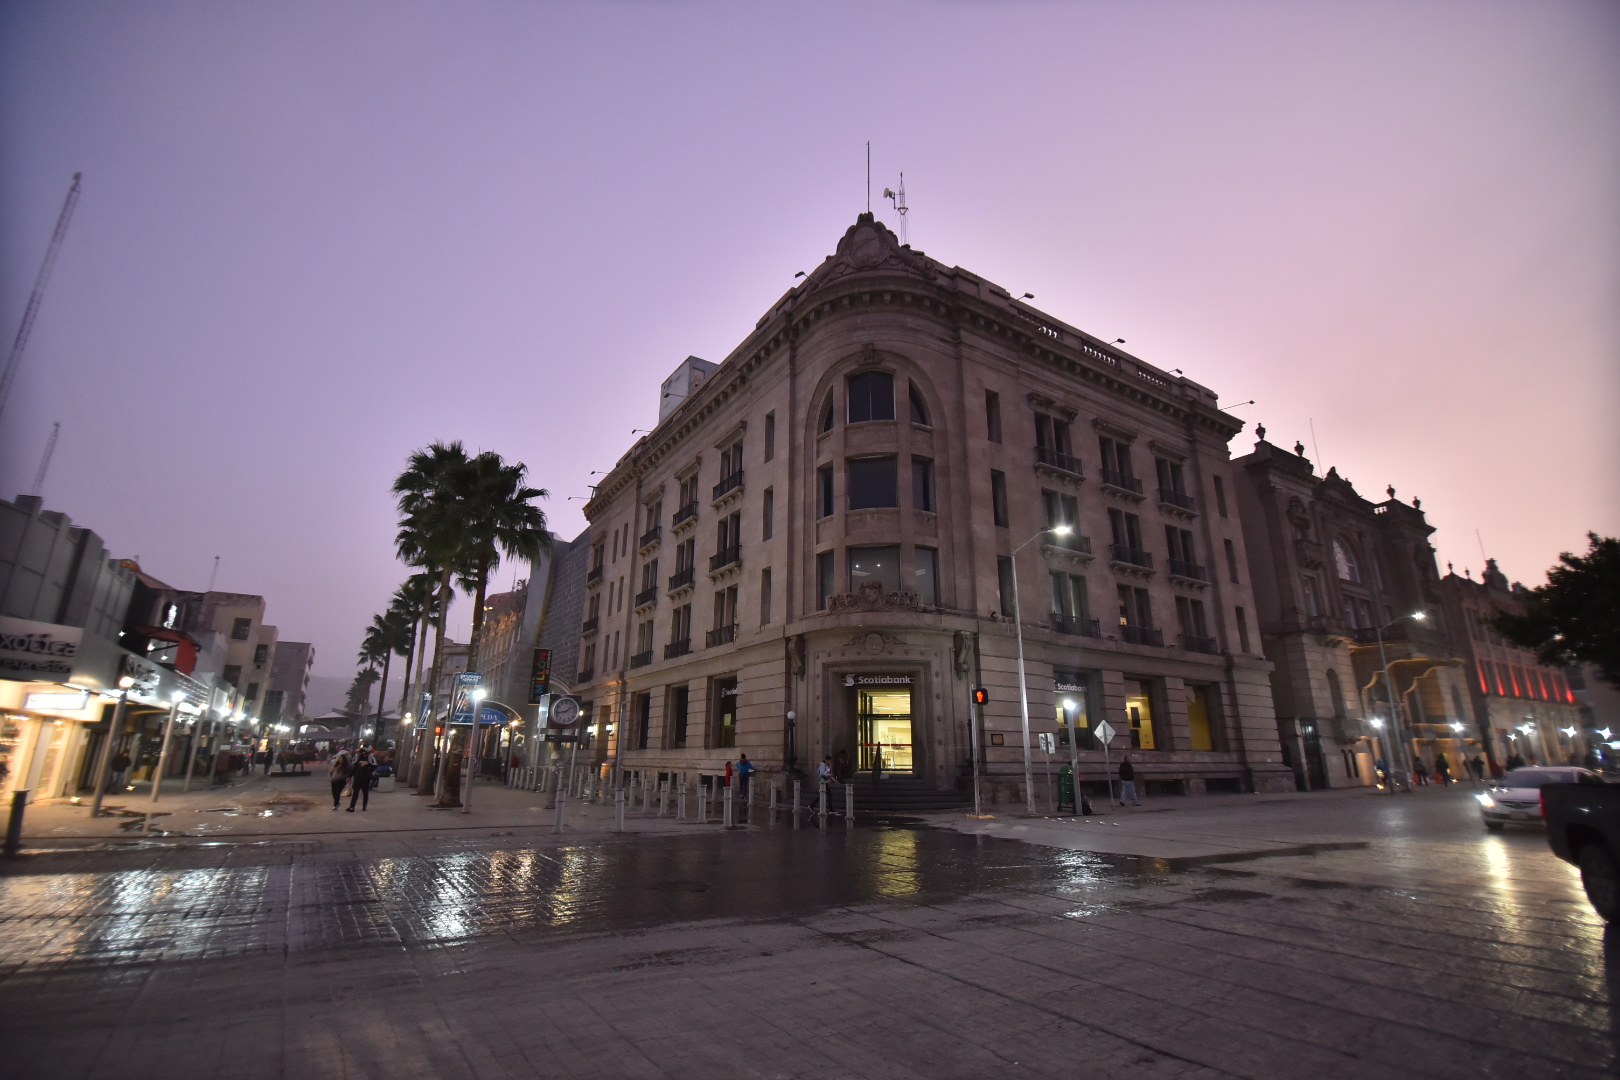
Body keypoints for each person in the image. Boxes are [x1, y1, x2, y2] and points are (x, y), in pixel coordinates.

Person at [347, 745, 378, 811]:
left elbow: (375, 766)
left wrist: (368, 765)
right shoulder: (358, 758)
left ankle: (364, 806)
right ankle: (352, 807)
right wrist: (349, 776)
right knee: (355, 793)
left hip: (366, 779)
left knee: (365, 793)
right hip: (357, 778)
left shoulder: (370, 758)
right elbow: (354, 768)